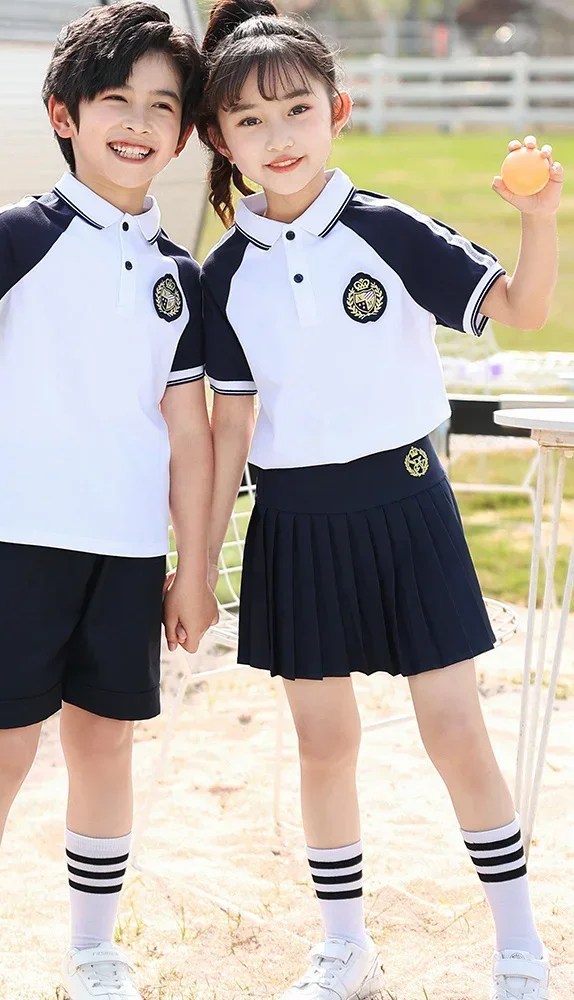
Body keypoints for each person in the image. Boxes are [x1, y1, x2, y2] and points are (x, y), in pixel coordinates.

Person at [198, 1, 563, 997]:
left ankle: (517, 942)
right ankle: (346, 947)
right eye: (250, 121)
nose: (278, 138)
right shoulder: (223, 277)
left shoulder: (388, 231)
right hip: (294, 523)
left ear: (338, 111)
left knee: (453, 728)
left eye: (296, 110)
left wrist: (538, 218)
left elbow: (520, 312)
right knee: (326, 742)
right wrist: (194, 566)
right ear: (219, 141)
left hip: (409, 507)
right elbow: (231, 429)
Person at [0, 5, 217, 998]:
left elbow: (189, 438)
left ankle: (94, 950)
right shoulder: (22, 232)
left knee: (104, 746)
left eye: (162, 105)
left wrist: (192, 568)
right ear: (65, 112)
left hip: (124, 552)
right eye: (117, 98)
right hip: (22, 540)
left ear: (185, 133)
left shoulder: (178, 275)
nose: (139, 121)